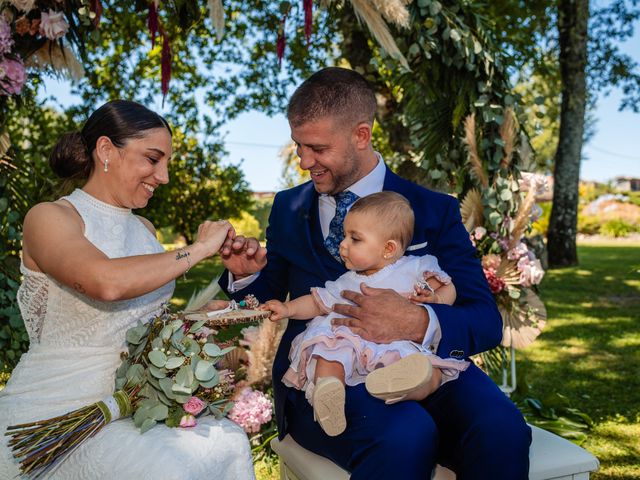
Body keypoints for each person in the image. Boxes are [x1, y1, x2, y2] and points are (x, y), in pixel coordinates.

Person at [220, 67, 531, 479]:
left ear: (361, 135)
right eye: (298, 146)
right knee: (404, 435)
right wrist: (245, 279)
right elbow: (268, 298)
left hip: (423, 366)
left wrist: (419, 321)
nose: (303, 161)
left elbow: (486, 320)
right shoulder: (287, 208)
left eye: (316, 148)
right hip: (326, 378)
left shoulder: (432, 209)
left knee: (502, 430)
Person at [0, 100, 255, 479]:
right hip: (58, 407)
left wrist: (198, 318)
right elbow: (106, 282)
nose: (164, 176)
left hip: (138, 403)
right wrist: (199, 249)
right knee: (167, 468)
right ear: (105, 150)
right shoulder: (50, 218)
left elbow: (141, 323)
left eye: (166, 162)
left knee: (229, 442)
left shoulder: (146, 231)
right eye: (153, 159)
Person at [262, 191, 468, 437]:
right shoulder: (347, 282)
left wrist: (436, 300)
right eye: (345, 236)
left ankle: (403, 383)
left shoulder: (417, 267)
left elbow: (448, 287)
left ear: (388, 249)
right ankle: (329, 390)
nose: (343, 244)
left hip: (398, 344)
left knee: (430, 371)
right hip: (354, 343)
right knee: (330, 348)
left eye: (354, 239)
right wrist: (287, 309)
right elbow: (318, 303)